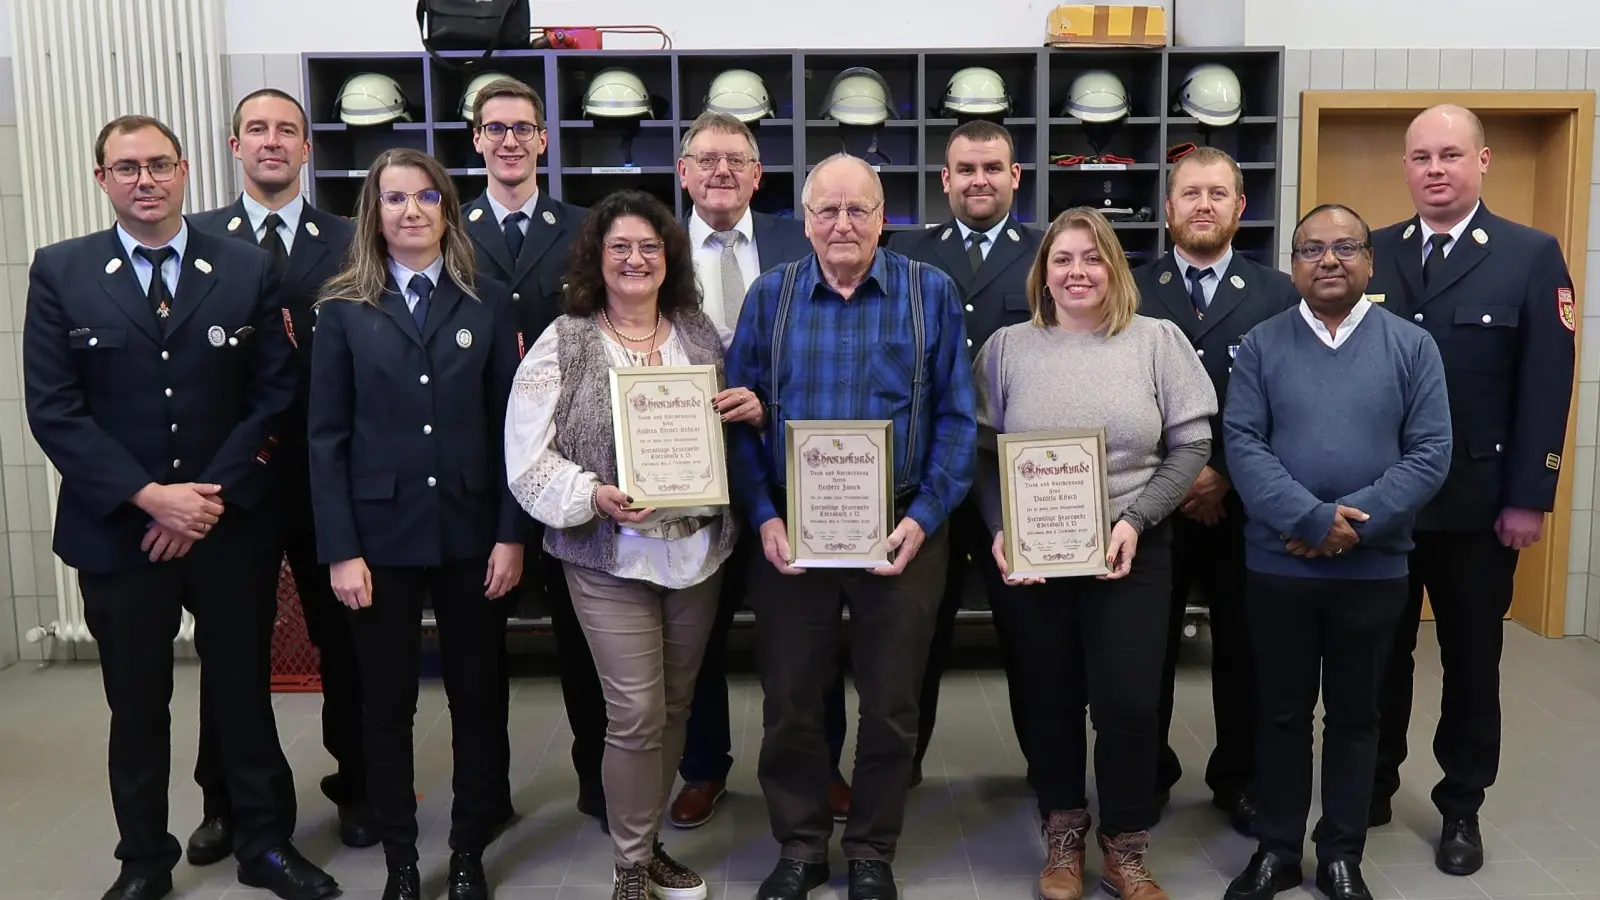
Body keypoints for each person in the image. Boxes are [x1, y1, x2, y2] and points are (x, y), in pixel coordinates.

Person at [22, 113, 336, 900]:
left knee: (242, 696)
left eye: (159, 165)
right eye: (127, 168)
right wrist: (151, 498)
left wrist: (204, 501)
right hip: (118, 532)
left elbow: (272, 394)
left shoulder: (243, 267)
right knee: (137, 705)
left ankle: (264, 844)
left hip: (226, 528)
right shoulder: (62, 270)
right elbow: (55, 409)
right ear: (102, 179)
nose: (146, 181)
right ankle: (144, 861)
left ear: (186, 170)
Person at [726, 153, 977, 900]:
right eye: (826, 210)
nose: (842, 224)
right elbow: (737, 416)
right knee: (790, 703)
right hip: (791, 533)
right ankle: (801, 845)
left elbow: (957, 422)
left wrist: (924, 519)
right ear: (804, 221)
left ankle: (871, 848)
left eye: (857, 209)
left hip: (902, 530)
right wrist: (764, 516)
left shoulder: (930, 292)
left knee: (892, 705)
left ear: (883, 217)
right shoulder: (769, 297)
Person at [506, 189, 749, 900]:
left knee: (674, 707)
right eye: (620, 247)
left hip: (695, 552)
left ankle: (647, 844)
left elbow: (728, 428)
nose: (635, 259)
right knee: (636, 713)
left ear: (669, 256)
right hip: (608, 553)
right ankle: (630, 864)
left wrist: (748, 409)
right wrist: (592, 495)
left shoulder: (698, 334)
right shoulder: (567, 339)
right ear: (597, 257)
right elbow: (527, 455)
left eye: (649, 246)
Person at [973, 206, 1216, 900]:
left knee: (1130, 705)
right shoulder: (1006, 349)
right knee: (1048, 700)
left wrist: (1136, 519)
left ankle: (1125, 847)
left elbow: (1192, 445)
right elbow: (983, 451)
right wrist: (1001, 525)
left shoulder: (1157, 341)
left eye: (1092, 258)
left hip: (1130, 552)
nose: (1077, 272)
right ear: (1043, 273)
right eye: (1062, 259)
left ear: (1114, 268)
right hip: (1038, 559)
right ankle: (1063, 834)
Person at [1367, 104, 1577, 876]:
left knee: (1471, 661)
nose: (1435, 169)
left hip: (1478, 506)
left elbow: (1546, 384)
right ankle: (1373, 783)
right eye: (1421, 156)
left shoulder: (1529, 255)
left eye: (1451, 155)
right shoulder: (1372, 252)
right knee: (1377, 655)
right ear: (1405, 166)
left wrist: (1530, 496)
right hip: (1383, 504)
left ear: (1482, 162)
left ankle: (1461, 804)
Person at [308, 147, 523, 900]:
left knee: (478, 697)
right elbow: (326, 438)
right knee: (387, 703)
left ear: (446, 210)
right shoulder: (343, 308)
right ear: (373, 214)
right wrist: (340, 550)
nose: (410, 212)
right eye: (394, 199)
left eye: (426, 198)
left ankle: (468, 850)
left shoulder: (487, 299)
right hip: (378, 539)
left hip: (472, 532)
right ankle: (401, 858)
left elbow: (511, 428)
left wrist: (510, 534)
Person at [1221, 203, 1452, 900]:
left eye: (1345, 247)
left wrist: (1354, 525)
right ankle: (1278, 850)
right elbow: (1244, 444)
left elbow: (1430, 452)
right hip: (1279, 567)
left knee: (1357, 716)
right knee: (1281, 713)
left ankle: (1342, 853)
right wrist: (1312, 518)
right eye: (1312, 249)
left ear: (1369, 262)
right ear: (1293, 265)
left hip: (1373, 570)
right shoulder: (1261, 345)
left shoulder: (1411, 346)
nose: (1328, 260)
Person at [186, 87, 374, 864]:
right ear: (235, 145)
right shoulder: (196, 240)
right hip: (232, 480)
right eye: (256, 129)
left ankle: (360, 785)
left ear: (306, 148)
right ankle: (226, 800)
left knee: (347, 641)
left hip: (329, 477)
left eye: (286, 130)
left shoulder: (352, 241)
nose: (272, 140)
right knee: (231, 646)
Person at [667, 110, 853, 830]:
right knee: (697, 633)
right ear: (683, 173)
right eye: (706, 159)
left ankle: (821, 766)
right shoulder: (652, 245)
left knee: (810, 632)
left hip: (785, 469)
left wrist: (772, 412)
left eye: (735, 160)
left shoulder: (798, 237)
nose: (721, 171)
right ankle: (703, 768)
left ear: (758, 175)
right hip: (682, 471)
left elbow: (829, 348)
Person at [1130, 146, 1298, 834]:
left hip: (1245, 503)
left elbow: (1291, 401)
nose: (1204, 205)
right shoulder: (1130, 288)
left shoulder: (1278, 295)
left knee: (1246, 650)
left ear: (1240, 207)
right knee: (1145, 650)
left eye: (1217, 193)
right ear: (1169, 207)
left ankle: (1240, 778)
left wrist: (1222, 468)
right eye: (1191, 193)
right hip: (1150, 505)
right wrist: (1180, 475)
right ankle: (1145, 773)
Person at [458, 75, 603, 829]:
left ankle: (599, 785)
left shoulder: (584, 228)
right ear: (476, 140)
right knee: (479, 649)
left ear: (544, 140)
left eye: (522, 128)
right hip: (477, 462)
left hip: (569, 459)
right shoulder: (448, 228)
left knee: (583, 640)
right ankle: (486, 798)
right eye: (495, 128)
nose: (509, 140)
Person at [886, 118, 1041, 784]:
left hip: (1016, 476)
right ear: (945, 180)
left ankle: (1047, 769)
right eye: (967, 170)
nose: (980, 180)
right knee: (915, 634)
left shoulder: (1050, 253)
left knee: (1030, 635)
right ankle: (900, 767)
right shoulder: (905, 254)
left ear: (1015, 177)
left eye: (993, 168)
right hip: (931, 475)